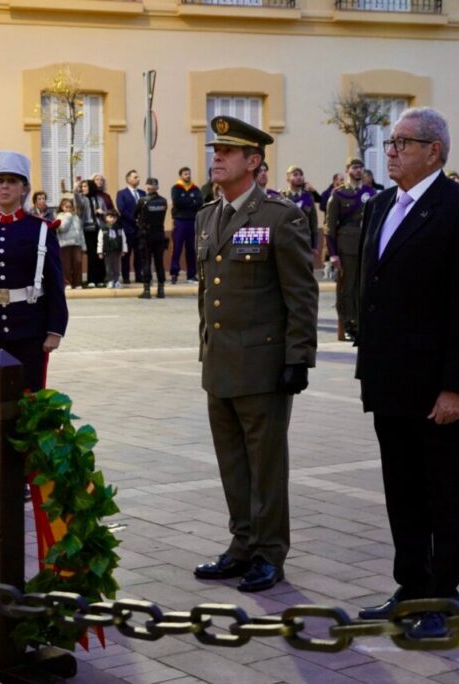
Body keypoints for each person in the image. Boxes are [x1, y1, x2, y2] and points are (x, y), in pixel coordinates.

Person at [355, 107, 459, 639]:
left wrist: (457, 386)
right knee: (401, 489)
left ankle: (441, 596)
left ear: (434, 151)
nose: (390, 152)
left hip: (435, 385)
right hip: (389, 380)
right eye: (389, 143)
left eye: (402, 143)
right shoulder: (381, 204)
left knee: (438, 491)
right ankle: (409, 585)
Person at [192, 115, 318, 594]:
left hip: (263, 367)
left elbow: (300, 294)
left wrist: (298, 357)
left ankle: (269, 553)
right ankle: (241, 544)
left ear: (254, 161)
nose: (217, 157)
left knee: (266, 466)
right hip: (220, 363)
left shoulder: (278, 216)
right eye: (215, 150)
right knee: (232, 463)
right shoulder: (208, 216)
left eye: (227, 151)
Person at [0, 150, 68, 393]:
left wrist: (55, 329)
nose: (5, 187)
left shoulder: (40, 230)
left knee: (30, 398)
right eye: (0, 181)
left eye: (12, 181)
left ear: (24, 188)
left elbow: (54, 283)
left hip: (30, 329)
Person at [325, 157, 375, 340]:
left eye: (361, 167)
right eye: (355, 167)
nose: (358, 171)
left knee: (363, 286)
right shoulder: (338, 194)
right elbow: (329, 226)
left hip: (366, 245)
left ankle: (362, 321)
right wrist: (332, 254)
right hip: (346, 246)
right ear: (347, 170)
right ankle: (349, 322)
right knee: (348, 286)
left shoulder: (371, 192)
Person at [135, 177, 169, 300]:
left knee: (146, 262)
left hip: (146, 235)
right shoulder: (164, 201)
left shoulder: (142, 201)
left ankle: (147, 290)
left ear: (147, 186)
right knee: (159, 262)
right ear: (157, 187)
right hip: (159, 234)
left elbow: (135, 215)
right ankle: (161, 289)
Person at [170, 166, 203, 284]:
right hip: (180, 221)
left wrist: (188, 201)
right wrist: (191, 201)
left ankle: (191, 275)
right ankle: (174, 274)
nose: (188, 176)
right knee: (177, 248)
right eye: (185, 174)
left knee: (191, 249)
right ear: (181, 176)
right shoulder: (176, 188)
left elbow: (200, 202)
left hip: (192, 221)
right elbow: (177, 202)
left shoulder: (195, 188)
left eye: (189, 174)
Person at [280, 165, 319, 253]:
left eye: (301, 175)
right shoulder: (283, 196)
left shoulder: (308, 197)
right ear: (288, 179)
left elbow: (313, 222)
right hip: (288, 241)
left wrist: (314, 245)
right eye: (295, 175)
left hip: (305, 241)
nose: (299, 177)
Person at [115, 169, 144, 284]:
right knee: (126, 254)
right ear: (128, 179)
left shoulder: (142, 193)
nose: (138, 179)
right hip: (128, 228)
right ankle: (126, 276)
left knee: (139, 254)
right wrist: (135, 220)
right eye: (135, 177)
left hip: (140, 229)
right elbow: (122, 210)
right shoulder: (122, 193)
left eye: (138, 177)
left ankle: (139, 275)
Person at [75, 179, 104, 287]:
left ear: (91, 187)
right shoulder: (83, 199)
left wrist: (102, 212)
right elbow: (78, 201)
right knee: (91, 255)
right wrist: (75, 190)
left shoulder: (99, 199)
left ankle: (100, 279)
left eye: (85, 186)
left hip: (99, 228)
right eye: (82, 187)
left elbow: (106, 213)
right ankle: (91, 279)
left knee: (100, 254)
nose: (83, 188)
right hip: (88, 229)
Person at [55, 195, 84, 289]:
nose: (68, 208)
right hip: (65, 243)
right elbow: (62, 229)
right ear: (62, 207)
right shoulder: (60, 216)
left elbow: (80, 231)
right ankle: (67, 283)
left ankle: (78, 283)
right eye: (66, 207)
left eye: (70, 206)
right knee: (66, 265)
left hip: (76, 243)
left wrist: (83, 245)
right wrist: (68, 216)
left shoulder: (76, 216)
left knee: (78, 263)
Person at [99, 208, 127, 288]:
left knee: (116, 266)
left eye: (114, 217)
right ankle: (110, 280)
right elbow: (100, 240)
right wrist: (100, 251)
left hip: (116, 251)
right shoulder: (103, 229)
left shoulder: (119, 228)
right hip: (107, 251)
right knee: (108, 266)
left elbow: (123, 239)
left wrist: (123, 250)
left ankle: (117, 280)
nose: (112, 219)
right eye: (110, 217)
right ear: (106, 218)